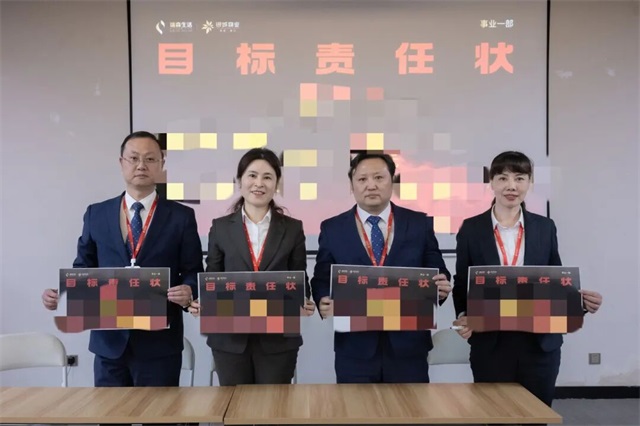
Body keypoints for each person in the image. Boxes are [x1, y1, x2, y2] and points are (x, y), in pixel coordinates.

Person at [42, 131, 203, 387]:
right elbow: (83, 267)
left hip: (160, 345)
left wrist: (189, 291)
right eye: (134, 158)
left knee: (159, 411)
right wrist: (61, 294)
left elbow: (193, 270)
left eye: (150, 159)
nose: (141, 165)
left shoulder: (181, 216)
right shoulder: (97, 213)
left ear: (161, 165)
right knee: (110, 411)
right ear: (121, 163)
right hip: (109, 345)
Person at [452, 150, 603, 407]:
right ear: (491, 183)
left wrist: (583, 304)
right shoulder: (471, 228)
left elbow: (556, 281)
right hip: (491, 343)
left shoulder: (545, 227)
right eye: (503, 178)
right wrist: (464, 315)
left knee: (537, 415)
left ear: (530, 183)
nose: (511, 186)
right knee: (495, 415)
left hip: (539, 344)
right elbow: (461, 282)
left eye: (520, 178)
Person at [310, 152, 452, 383]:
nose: (371, 185)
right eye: (362, 179)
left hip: (408, 347)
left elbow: (436, 268)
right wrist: (323, 298)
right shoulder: (332, 228)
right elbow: (322, 277)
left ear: (392, 181)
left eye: (379, 177)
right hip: (355, 347)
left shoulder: (419, 223)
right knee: (356, 406)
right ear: (352, 185)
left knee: (410, 406)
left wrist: (441, 287)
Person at [188, 147, 316, 386]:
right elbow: (212, 277)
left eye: (267, 177)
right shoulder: (220, 227)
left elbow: (300, 278)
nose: (259, 183)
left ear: (276, 184)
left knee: (274, 405)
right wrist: (201, 301)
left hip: (278, 339)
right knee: (234, 405)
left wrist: (305, 300)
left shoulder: (292, 228)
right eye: (252, 175)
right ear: (239, 180)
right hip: (230, 339)